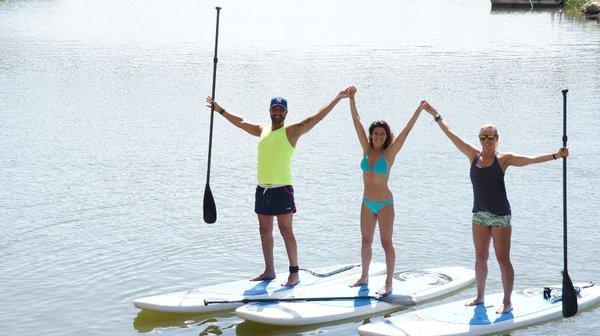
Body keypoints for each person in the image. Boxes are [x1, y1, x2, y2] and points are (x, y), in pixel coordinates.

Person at [423, 101, 569, 314]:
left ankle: (507, 301)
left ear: (497, 139)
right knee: (480, 257)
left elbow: (530, 160)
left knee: (503, 260)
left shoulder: (504, 160)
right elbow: (451, 134)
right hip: (479, 215)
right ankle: (479, 297)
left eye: (491, 136)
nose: (487, 140)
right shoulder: (473, 155)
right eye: (483, 136)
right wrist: (435, 114)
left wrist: (556, 155)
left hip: (500, 216)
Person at [205, 88, 353, 286]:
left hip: (282, 189)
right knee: (264, 230)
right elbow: (241, 123)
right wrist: (220, 110)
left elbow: (315, 118)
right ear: (269, 111)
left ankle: (294, 272)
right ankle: (269, 271)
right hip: (262, 189)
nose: (277, 112)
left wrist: (338, 98)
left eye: (281, 109)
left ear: (286, 113)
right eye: (274, 109)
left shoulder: (291, 132)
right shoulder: (262, 129)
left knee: (286, 230)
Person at [346, 86, 427, 295]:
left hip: (384, 204)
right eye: (375, 133)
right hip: (366, 202)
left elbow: (406, 132)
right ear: (371, 135)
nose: (378, 136)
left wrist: (419, 110)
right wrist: (352, 99)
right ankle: (364, 277)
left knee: (385, 242)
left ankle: (389, 282)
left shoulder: (389, 154)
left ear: (386, 136)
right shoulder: (366, 149)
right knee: (365, 241)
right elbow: (357, 123)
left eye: (382, 133)